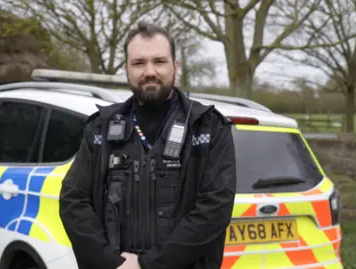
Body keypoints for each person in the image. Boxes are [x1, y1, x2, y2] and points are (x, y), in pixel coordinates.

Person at [59, 21, 237, 269]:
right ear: (126, 69)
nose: (149, 71)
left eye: (159, 61)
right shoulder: (101, 127)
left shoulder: (208, 127)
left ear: (176, 66)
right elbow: (73, 200)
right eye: (139, 63)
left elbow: (214, 210)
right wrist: (111, 263)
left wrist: (147, 265)